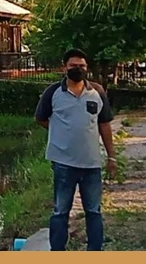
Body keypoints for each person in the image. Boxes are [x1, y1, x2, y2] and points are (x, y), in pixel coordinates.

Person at [34, 48, 117, 251]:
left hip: (91, 164)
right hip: (63, 163)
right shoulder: (53, 93)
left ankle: (94, 251)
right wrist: (61, 131)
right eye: (73, 66)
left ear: (87, 68)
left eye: (81, 66)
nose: (77, 69)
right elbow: (41, 119)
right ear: (64, 68)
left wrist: (112, 157)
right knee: (61, 211)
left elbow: (104, 124)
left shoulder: (97, 92)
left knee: (94, 211)